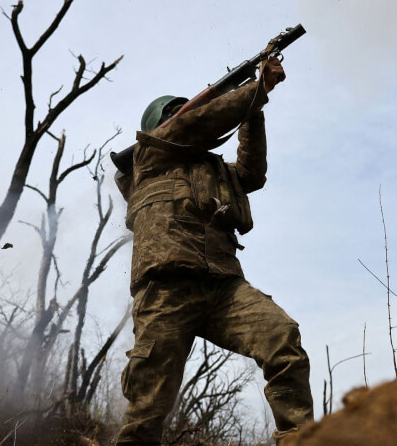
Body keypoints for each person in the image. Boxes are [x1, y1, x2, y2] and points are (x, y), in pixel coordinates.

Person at [115, 57, 313, 445]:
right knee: (148, 405)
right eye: (176, 115)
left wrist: (254, 108)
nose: (196, 115)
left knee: (281, 337)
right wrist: (255, 91)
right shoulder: (148, 157)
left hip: (223, 286)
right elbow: (193, 125)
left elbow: (252, 173)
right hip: (166, 289)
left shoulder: (215, 170)